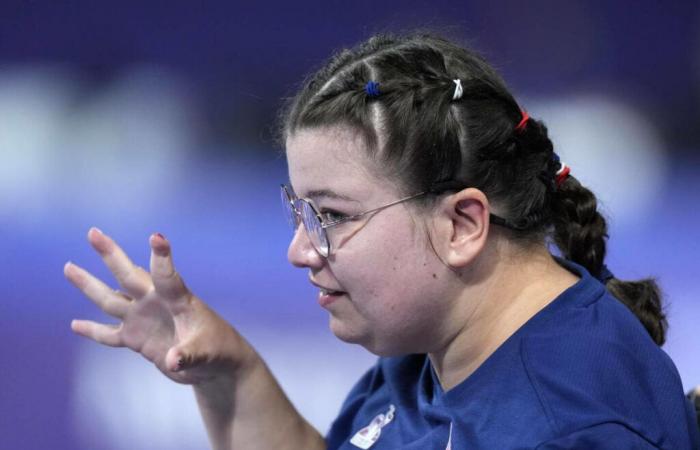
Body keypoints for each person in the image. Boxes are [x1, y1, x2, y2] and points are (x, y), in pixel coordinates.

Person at [64, 32, 700, 449]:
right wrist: (231, 372)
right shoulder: (439, 334)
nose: (301, 250)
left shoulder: (567, 430)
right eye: (301, 213)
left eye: (334, 217)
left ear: (462, 225)